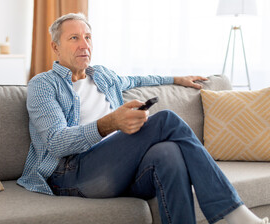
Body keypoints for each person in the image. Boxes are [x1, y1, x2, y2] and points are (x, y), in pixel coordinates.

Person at [17, 13, 268, 224]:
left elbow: (137, 80)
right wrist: (111, 123)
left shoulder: (102, 75)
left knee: (168, 153)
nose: (84, 44)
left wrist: (175, 79)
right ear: (55, 46)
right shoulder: (43, 85)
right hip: (72, 175)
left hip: (118, 169)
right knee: (166, 120)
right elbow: (56, 142)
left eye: (88, 37)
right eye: (74, 38)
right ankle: (233, 213)